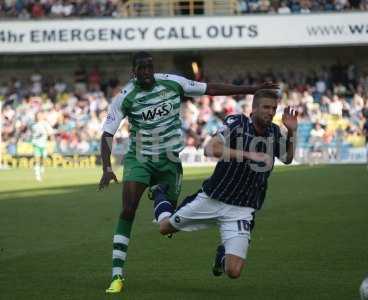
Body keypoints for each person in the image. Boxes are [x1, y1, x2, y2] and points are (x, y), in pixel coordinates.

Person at [98, 51, 279, 293]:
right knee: (128, 208)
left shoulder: (173, 83)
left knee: (166, 225)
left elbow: (210, 88)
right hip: (140, 158)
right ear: (133, 72)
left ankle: (160, 192)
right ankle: (117, 275)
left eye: (149, 67)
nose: (146, 72)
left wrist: (251, 88)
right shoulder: (125, 97)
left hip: (170, 161)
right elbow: (107, 133)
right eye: (141, 69)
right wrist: (107, 167)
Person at [150, 89, 297, 279]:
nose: (270, 112)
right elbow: (210, 148)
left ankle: (222, 255)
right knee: (164, 228)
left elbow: (287, 158)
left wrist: (292, 130)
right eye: (266, 107)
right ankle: (160, 193)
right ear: (253, 109)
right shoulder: (236, 122)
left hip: (242, 209)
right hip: (212, 198)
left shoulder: (274, 132)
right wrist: (248, 155)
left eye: (274, 108)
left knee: (233, 272)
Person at [31, 111, 54, 181]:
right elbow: (34, 134)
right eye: (38, 115)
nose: (39, 116)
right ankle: (37, 175)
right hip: (36, 144)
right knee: (37, 159)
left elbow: (51, 132)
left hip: (44, 144)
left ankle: (42, 168)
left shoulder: (46, 123)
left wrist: (50, 135)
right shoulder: (34, 125)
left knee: (43, 159)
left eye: (40, 115)